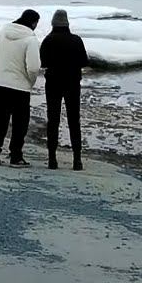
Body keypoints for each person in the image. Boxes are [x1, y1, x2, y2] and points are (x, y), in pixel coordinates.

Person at [0, 9, 42, 168]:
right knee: (20, 123)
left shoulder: (4, 31)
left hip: (2, 84)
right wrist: (30, 82)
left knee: (0, 120)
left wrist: (1, 71)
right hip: (20, 87)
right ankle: (15, 155)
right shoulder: (31, 40)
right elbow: (33, 67)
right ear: (33, 23)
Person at [41, 9, 89, 171]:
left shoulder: (48, 40)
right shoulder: (76, 40)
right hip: (73, 83)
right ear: (67, 23)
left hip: (53, 83)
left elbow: (43, 62)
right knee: (74, 120)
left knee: (53, 120)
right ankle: (77, 160)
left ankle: (52, 159)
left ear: (53, 23)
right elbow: (84, 61)